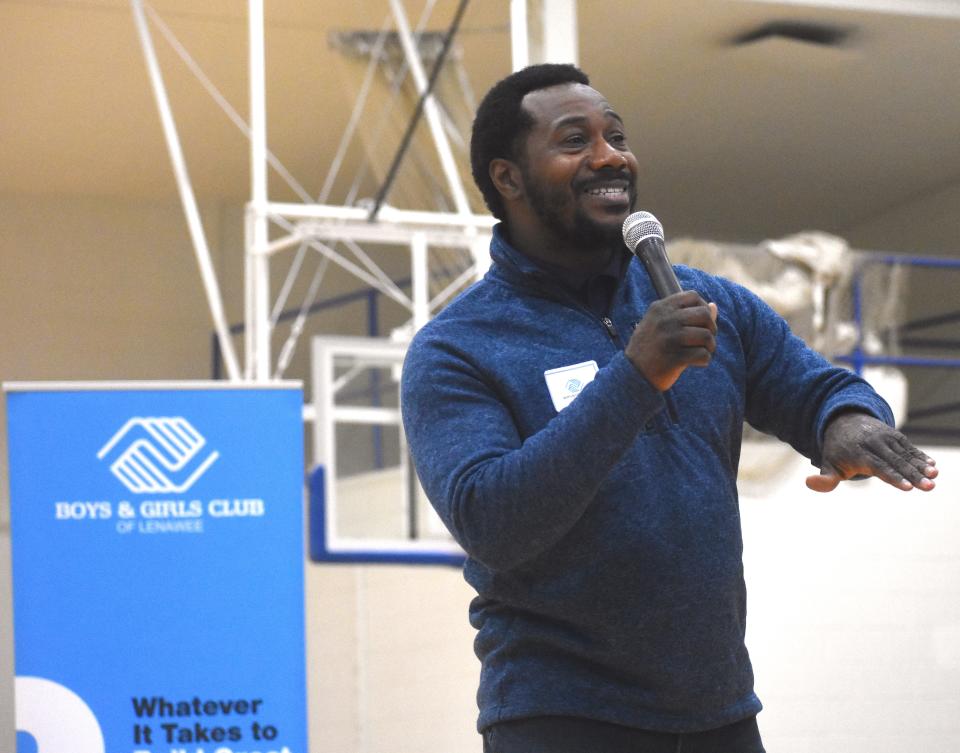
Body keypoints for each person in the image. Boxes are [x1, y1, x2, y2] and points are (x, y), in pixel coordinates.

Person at [399, 63, 937, 753]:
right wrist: (636, 375)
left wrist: (848, 421)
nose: (609, 156)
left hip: (720, 713)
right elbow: (492, 520)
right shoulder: (458, 347)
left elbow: (815, 388)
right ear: (508, 178)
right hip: (562, 719)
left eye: (616, 135)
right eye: (574, 141)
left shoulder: (711, 303)